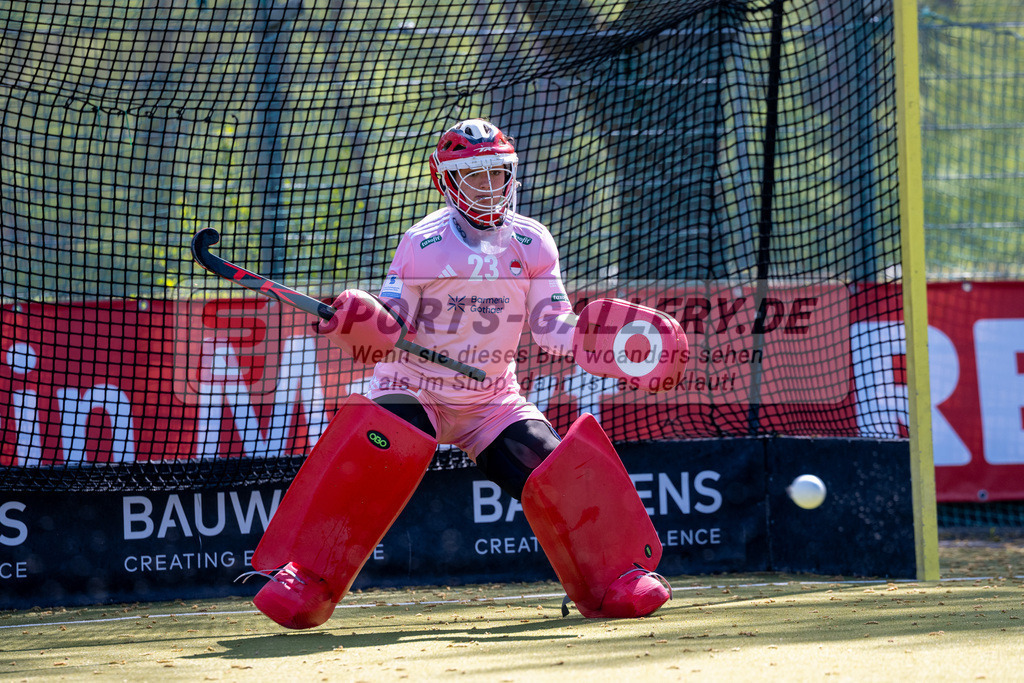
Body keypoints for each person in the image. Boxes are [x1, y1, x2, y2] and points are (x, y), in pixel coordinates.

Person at [248, 119, 688, 629]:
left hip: (492, 400)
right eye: (475, 175)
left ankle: (614, 580)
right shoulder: (423, 243)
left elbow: (551, 326)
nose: (489, 186)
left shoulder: (533, 241)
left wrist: (595, 340)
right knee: (374, 451)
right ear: (447, 181)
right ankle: (307, 578)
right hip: (413, 388)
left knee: (554, 465)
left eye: (498, 173)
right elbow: (394, 321)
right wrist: (364, 321)